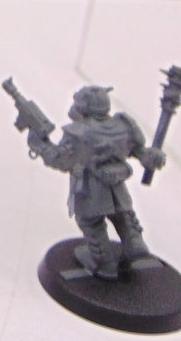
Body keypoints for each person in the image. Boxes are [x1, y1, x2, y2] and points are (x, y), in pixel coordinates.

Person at [21, 84, 166, 279]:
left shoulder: (78, 133)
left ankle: (103, 263)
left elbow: (62, 161)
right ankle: (135, 244)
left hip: (90, 190)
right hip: (117, 188)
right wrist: (149, 156)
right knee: (123, 216)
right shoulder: (123, 125)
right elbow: (138, 150)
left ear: (83, 107)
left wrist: (40, 146)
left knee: (91, 223)